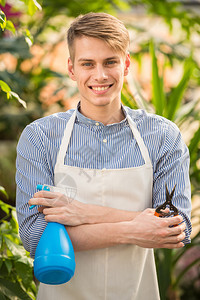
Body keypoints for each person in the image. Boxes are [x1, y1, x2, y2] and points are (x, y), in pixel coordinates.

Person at [16, 12, 192, 300]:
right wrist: (133, 230)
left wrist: (84, 213)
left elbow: (177, 228)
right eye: (88, 63)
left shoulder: (162, 136)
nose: (100, 75)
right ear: (72, 69)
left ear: (126, 65)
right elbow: (35, 236)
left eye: (110, 62)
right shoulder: (40, 138)